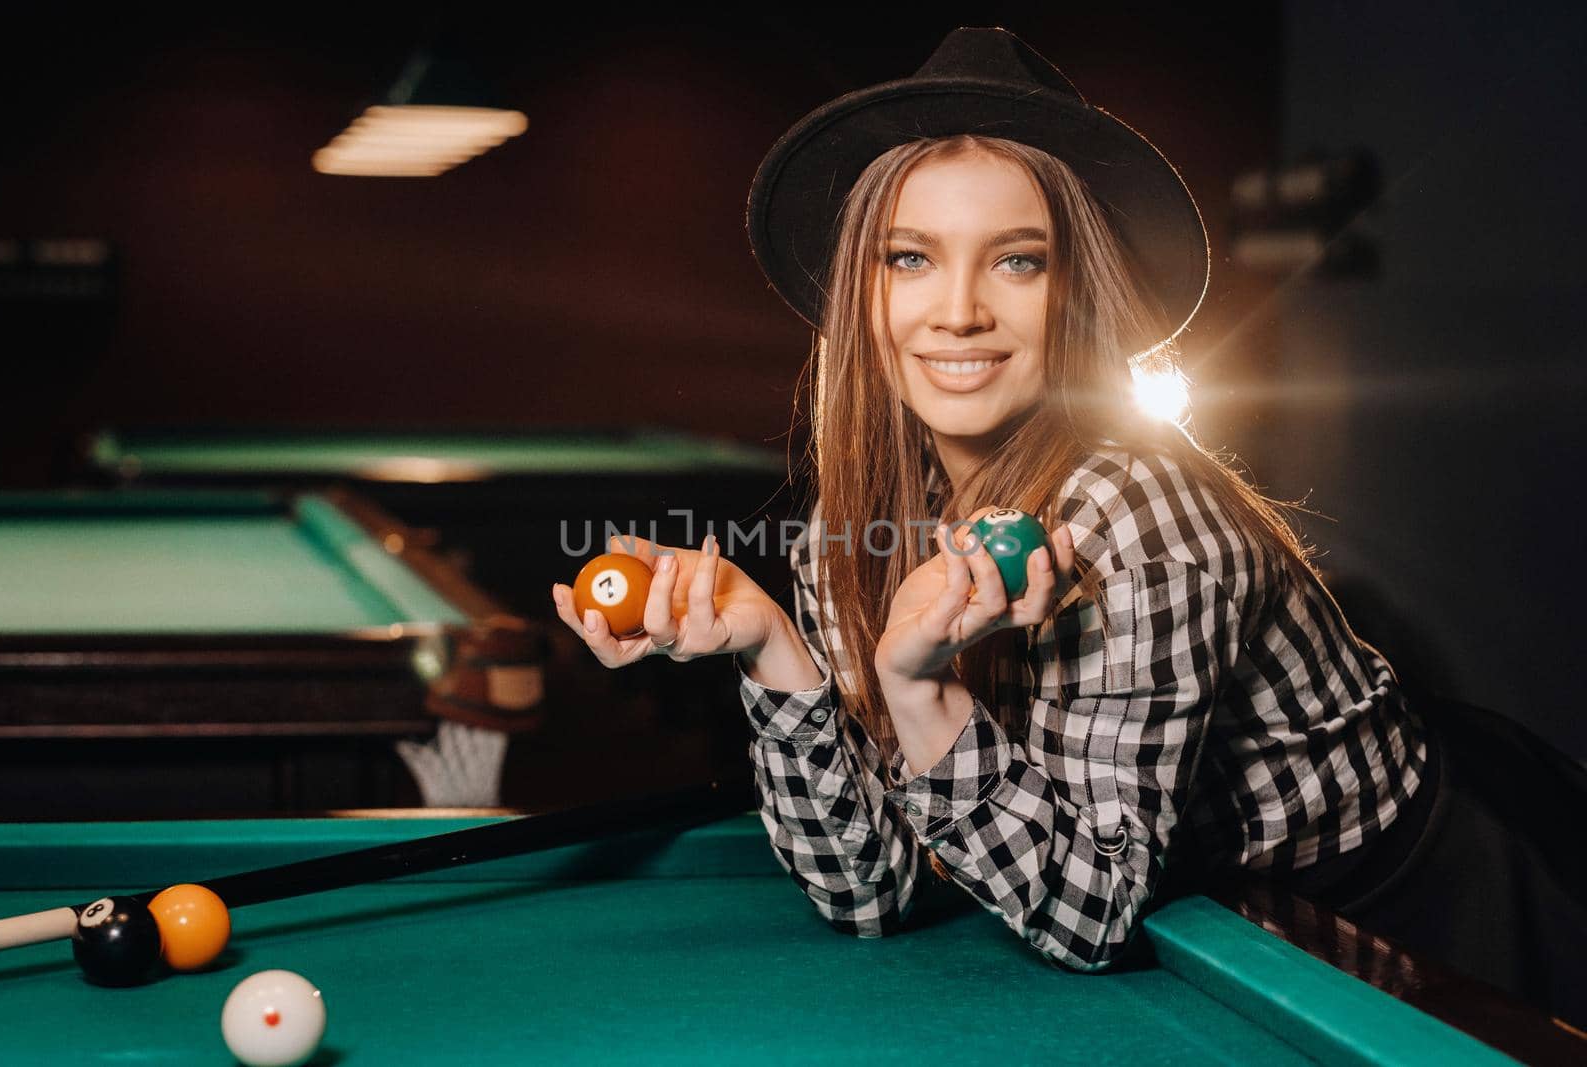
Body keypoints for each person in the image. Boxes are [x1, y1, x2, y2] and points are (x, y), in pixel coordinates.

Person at [551, 26, 1586, 1025]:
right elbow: (864, 894)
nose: (956, 310)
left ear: (1075, 290)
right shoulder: (856, 520)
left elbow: (1087, 912)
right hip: (1219, 906)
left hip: (1418, 907)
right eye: (909, 257)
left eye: (1018, 260)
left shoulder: (1144, 521)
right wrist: (773, 645)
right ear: (859, 291)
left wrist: (917, 686)